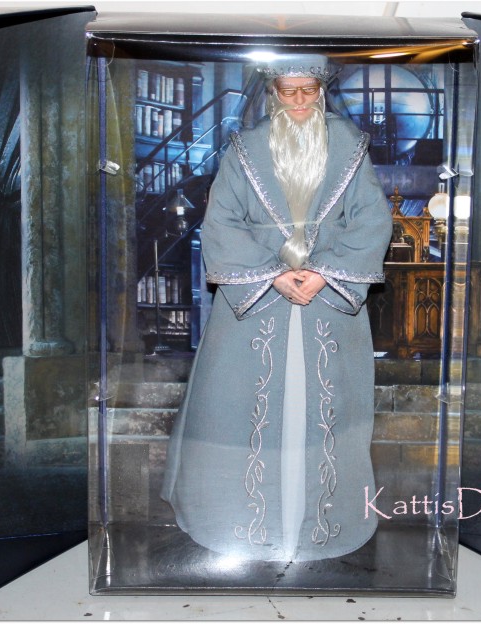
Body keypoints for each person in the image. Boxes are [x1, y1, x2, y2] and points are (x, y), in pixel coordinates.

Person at [161, 54, 393, 562]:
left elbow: (372, 219)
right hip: (258, 299)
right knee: (238, 405)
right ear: (273, 93)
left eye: (309, 90)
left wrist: (324, 271)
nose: (300, 101)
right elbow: (222, 221)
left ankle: (318, 522)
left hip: (327, 300)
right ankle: (239, 523)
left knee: (328, 408)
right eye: (289, 91)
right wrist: (273, 274)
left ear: (321, 91)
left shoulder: (350, 147)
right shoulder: (244, 149)